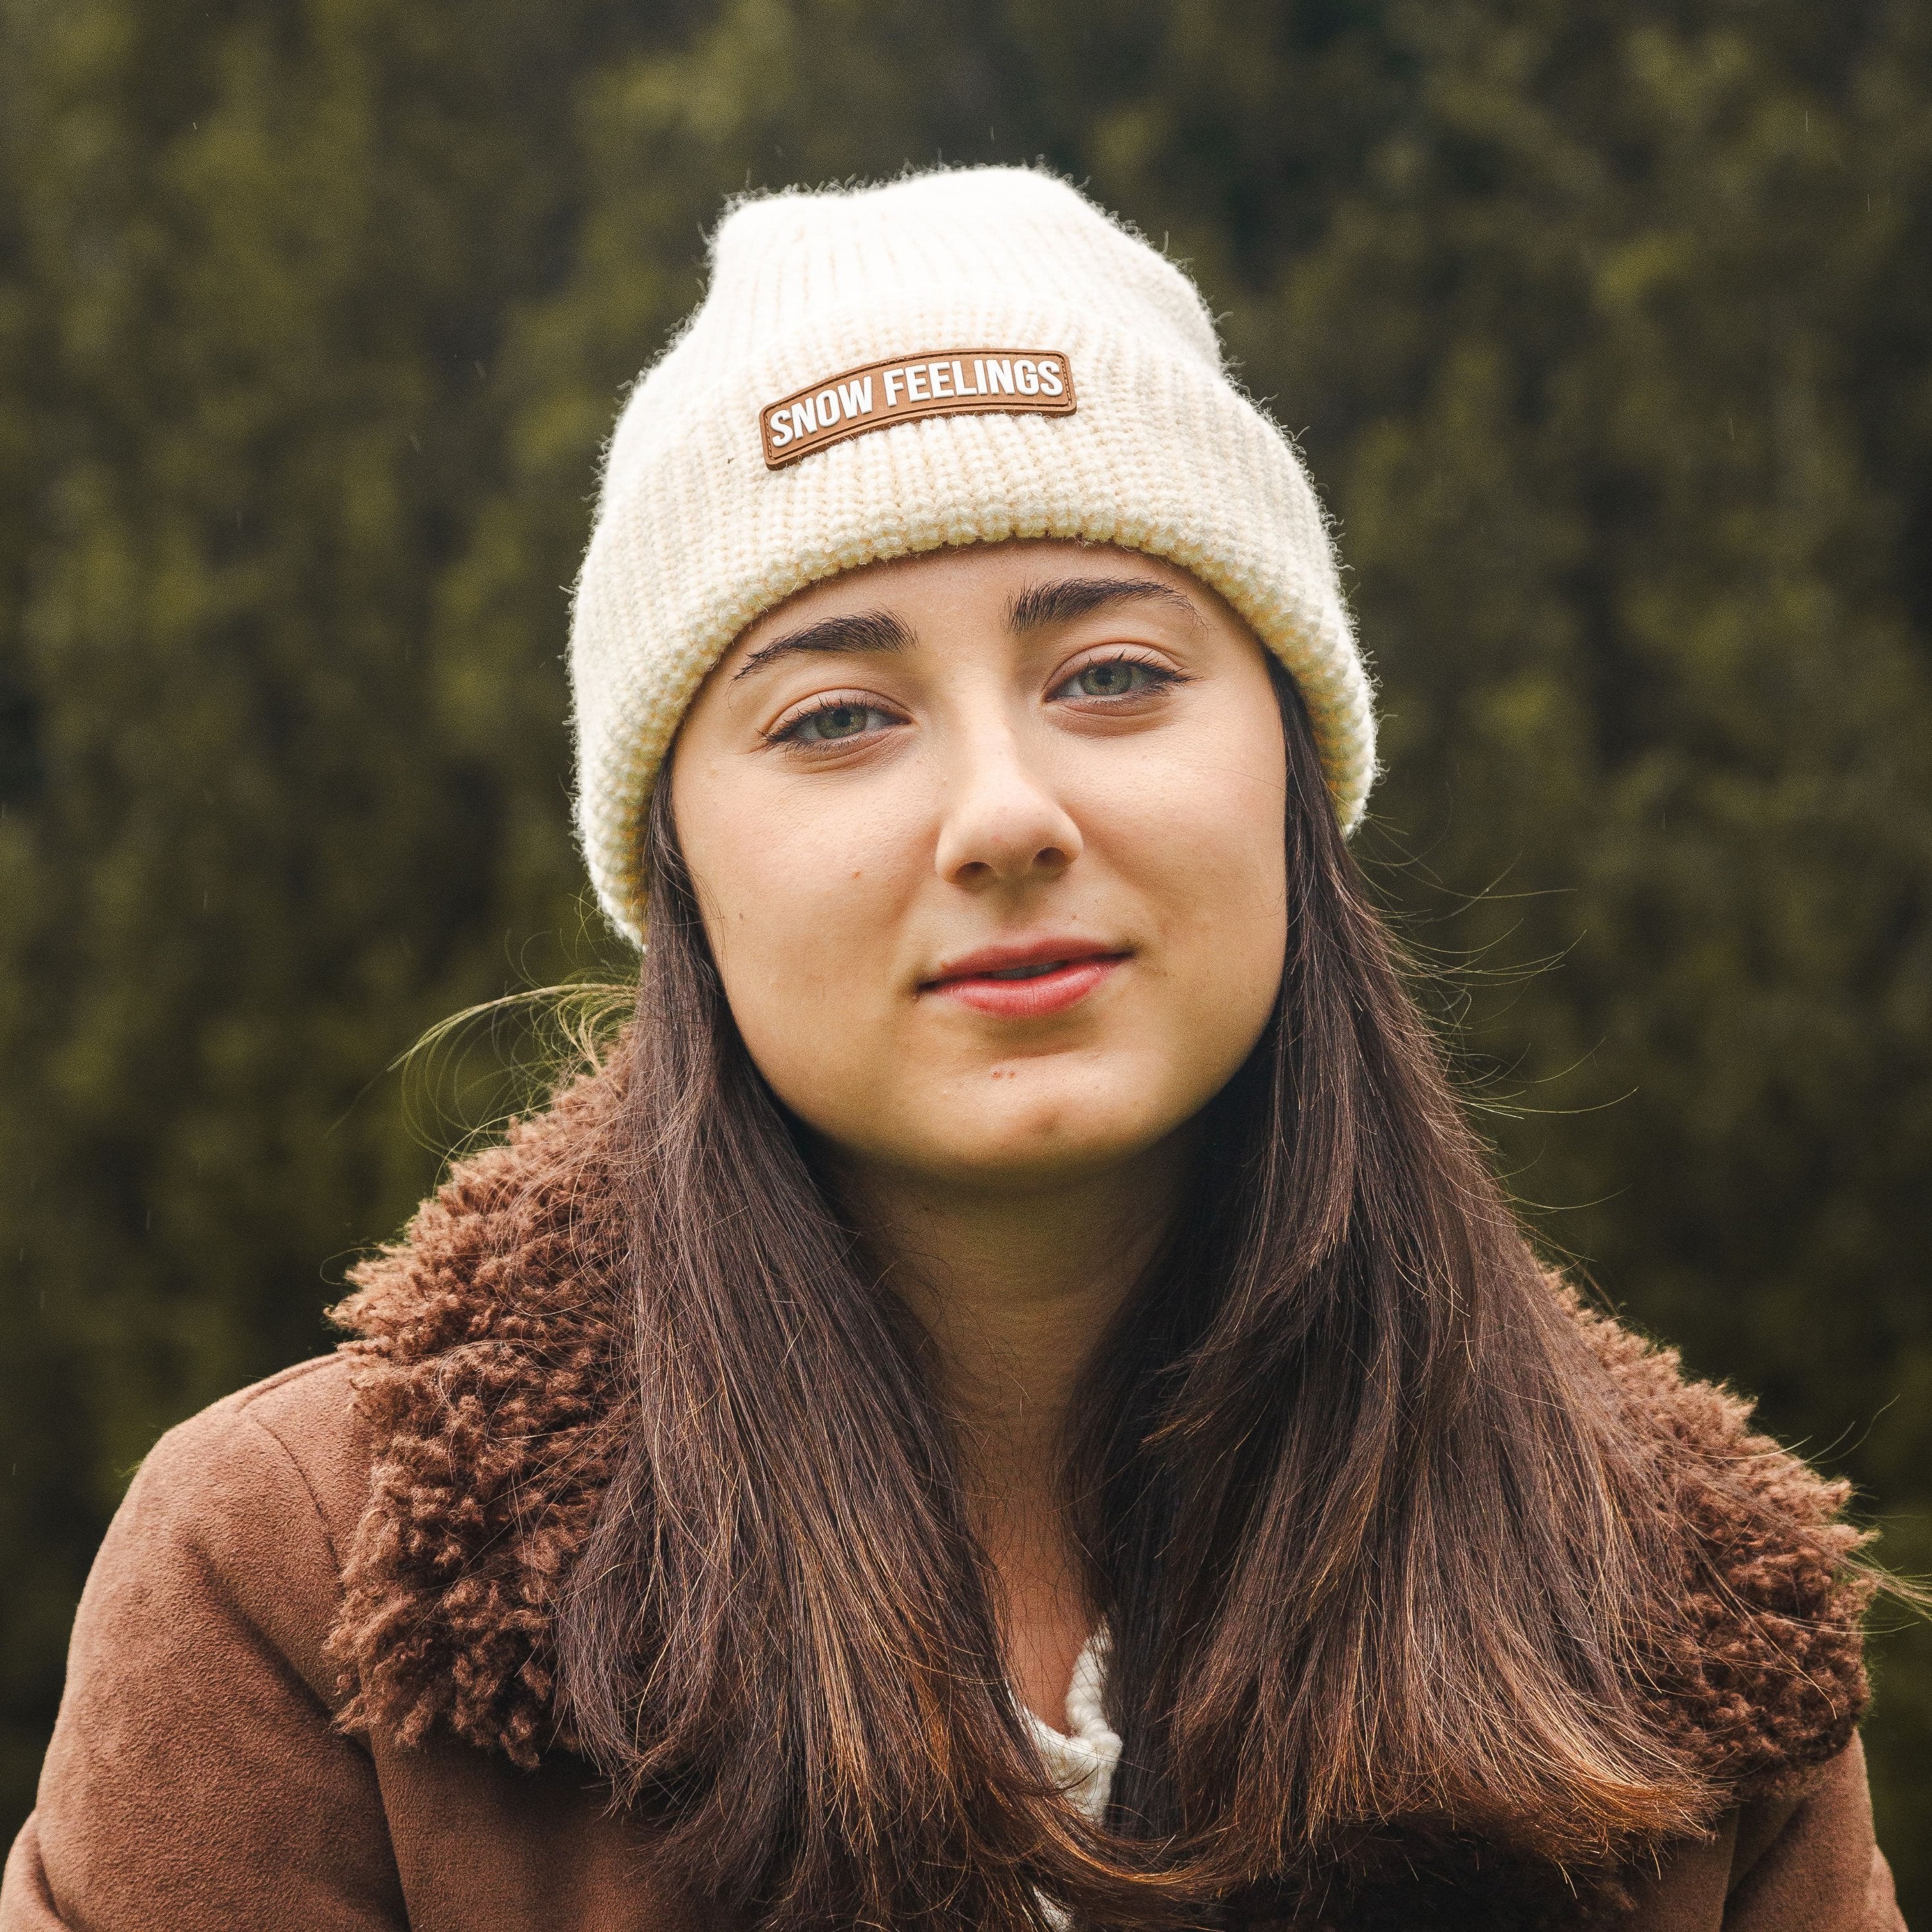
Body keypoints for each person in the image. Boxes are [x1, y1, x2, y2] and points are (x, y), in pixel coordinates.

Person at [0, 166, 1907, 1932]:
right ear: (679, 872)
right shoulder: (308, 1571)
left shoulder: (1677, 1611)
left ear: (1294, 782)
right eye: (837, 714)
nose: (1003, 814)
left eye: (1111, 677)